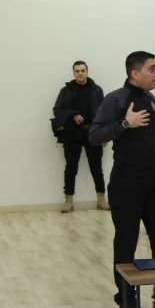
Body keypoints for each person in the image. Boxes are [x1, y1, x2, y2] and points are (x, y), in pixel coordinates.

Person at [89, 50, 155, 308]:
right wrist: (126, 122)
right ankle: (126, 301)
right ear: (135, 73)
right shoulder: (116, 99)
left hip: (152, 183)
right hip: (126, 185)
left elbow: (144, 136)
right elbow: (95, 136)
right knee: (126, 244)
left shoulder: (149, 98)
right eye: (152, 69)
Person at [52, 60, 106, 213]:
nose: (80, 73)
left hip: (93, 134)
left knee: (96, 168)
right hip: (72, 135)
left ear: (87, 71)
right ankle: (68, 201)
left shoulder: (97, 90)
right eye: (77, 71)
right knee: (71, 168)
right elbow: (57, 110)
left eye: (83, 70)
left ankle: (101, 199)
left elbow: (104, 113)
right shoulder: (66, 91)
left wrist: (104, 135)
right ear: (73, 73)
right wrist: (73, 115)